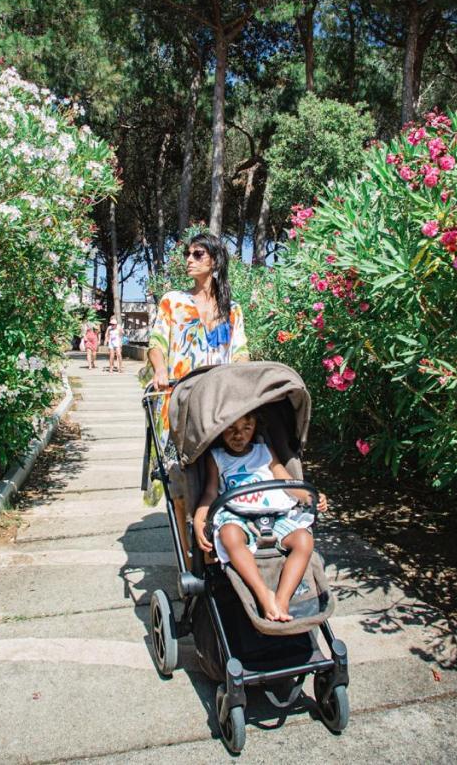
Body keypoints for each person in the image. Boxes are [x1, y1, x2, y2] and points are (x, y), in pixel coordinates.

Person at [192, 412, 328, 622]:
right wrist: (200, 519)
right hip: (238, 514)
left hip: (274, 513)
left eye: (247, 428)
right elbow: (210, 492)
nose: (239, 435)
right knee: (229, 535)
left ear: (256, 427)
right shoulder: (217, 456)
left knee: (304, 539)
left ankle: (282, 599)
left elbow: (285, 479)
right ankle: (263, 594)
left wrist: (311, 496)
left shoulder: (264, 451)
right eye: (231, 428)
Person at [144, 232, 248, 446]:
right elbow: (157, 343)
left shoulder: (232, 309)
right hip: (177, 394)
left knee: (216, 462)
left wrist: (240, 382)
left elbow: (240, 352)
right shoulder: (173, 301)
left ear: (215, 261)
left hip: (217, 401)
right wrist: (161, 370)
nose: (189, 259)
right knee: (174, 468)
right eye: (187, 254)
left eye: (198, 254)